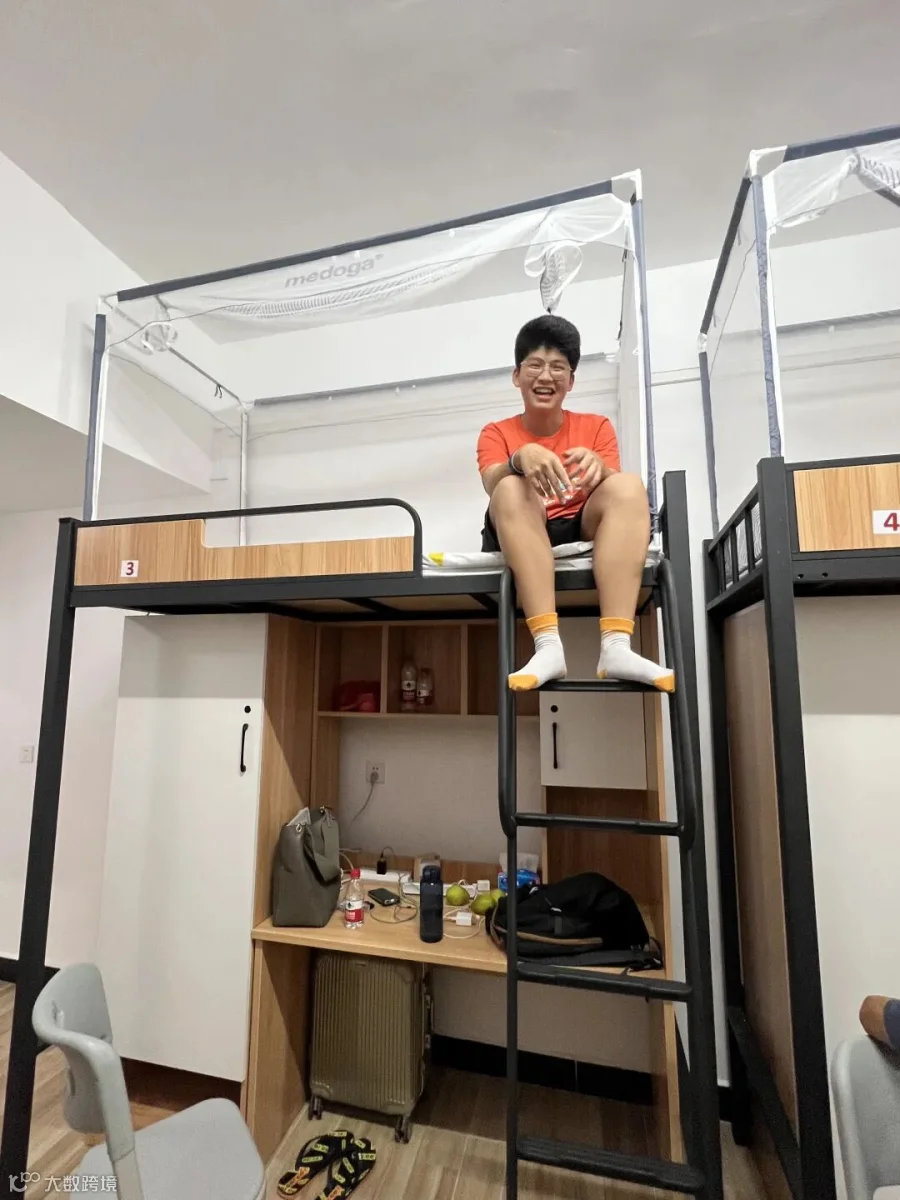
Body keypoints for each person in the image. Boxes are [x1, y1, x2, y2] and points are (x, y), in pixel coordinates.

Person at [476, 314, 673, 693]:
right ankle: (547, 645)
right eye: (535, 365)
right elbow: (490, 482)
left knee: (628, 485)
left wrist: (600, 469)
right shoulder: (496, 432)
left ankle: (617, 645)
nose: (545, 376)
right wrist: (519, 458)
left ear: (570, 380)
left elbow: (618, 495)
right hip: (519, 525)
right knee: (510, 488)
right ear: (517, 375)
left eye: (558, 367)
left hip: (579, 523)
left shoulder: (596, 427)